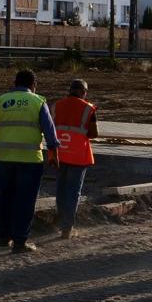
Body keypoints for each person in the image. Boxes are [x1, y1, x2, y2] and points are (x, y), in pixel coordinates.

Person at [0, 69, 60, 253]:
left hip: (5, 160)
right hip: (30, 161)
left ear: (15, 83)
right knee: (25, 201)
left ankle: (4, 236)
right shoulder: (38, 102)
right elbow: (50, 132)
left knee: (6, 197)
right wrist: (54, 155)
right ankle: (20, 241)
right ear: (33, 85)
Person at [52, 78, 98, 240]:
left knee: (61, 190)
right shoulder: (88, 108)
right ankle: (67, 228)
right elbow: (93, 133)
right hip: (78, 156)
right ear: (83, 92)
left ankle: (61, 221)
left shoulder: (57, 105)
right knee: (73, 192)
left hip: (60, 153)